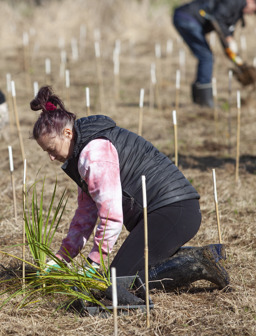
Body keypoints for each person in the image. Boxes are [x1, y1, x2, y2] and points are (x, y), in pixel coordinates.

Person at [30, 86, 229, 292]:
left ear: (67, 133)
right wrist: (61, 259)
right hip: (166, 212)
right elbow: (85, 215)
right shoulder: (83, 153)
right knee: (125, 273)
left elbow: (111, 215)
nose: (51, 157)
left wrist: (94, 262)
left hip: (172, 210)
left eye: (52, 149)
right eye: (47, 152)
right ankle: (203, 256)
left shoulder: (94, 154)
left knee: (119, 282)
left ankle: (200, 265)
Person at [173, 0, 256, 107]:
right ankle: (204, 102)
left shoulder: (236, 11)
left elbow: (223, 33)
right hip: (187, 17)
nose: (252, 13)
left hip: (185, 18)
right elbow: (217, 19)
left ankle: (199, 99)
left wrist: (237, 61)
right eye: (254, 9)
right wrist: (228, 38)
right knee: (206, 57)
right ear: (251, 0)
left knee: (205, 57)